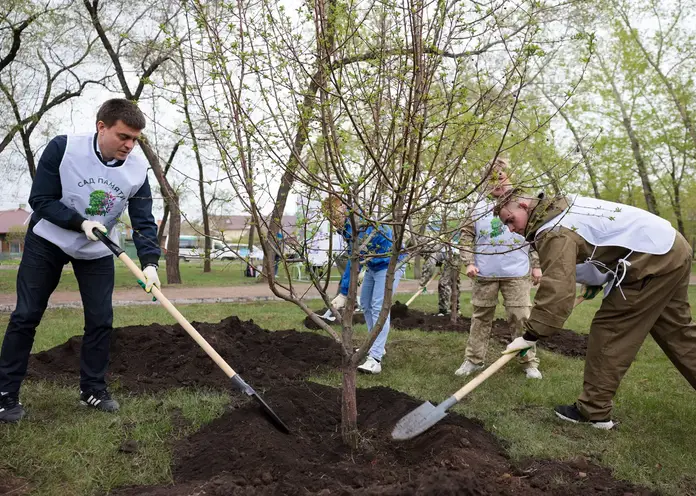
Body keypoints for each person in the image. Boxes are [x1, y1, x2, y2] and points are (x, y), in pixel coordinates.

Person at [0, 99, 161, 423]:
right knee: (26, 314)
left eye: (135, 139)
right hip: (49, 240)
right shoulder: (64, 149)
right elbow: (41, 200)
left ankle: (93, 390)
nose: (129, 145)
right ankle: (5, 394)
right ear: (101, 126)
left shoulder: (137, 171)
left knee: (101, 319)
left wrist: (150, 264)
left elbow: (144, 222)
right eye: (123, 136)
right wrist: (79, 222)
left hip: (97, 251)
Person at [496, 189, 696, 429]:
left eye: (510, 220)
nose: (510, 229)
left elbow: (557, 291)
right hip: (670, 245)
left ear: (524, 205)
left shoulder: (552, 229)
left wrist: (530, 335)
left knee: (611, 330)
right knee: (678, 332)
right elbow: (599, 246)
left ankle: (594, 411)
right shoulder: (563, 207)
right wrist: (598, 279)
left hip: (652, 259)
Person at [456, 158, 543, 380]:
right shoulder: (476, 206)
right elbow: (466, 235)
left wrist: (537, 265)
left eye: (500, 178)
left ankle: (528, 362)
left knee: (521, 317)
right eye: (491, 179)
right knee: (480, 317)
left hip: (517, 272)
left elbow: (534, 235)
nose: (497, 183)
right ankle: (473, 360)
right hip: (485, 273)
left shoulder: (524, 201)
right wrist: (469, 262)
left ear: (509, 176)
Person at [323, 196, 405, 374]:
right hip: (374, 264)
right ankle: (376, 344)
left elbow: (354, 261)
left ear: (344, 209)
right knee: (366, 304)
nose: (333, 221)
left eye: (335, 216)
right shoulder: (346, 226)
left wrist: (344, 293)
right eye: (329, 218)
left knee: (378, 307)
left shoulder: (359, 226)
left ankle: (375, 359)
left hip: (390, 263)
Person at [418, 239, 461, 317]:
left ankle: (444, 310)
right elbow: (439, 259)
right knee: (454, 282)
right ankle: (455, 309)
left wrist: (422, 284)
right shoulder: (436, 246)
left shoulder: (431, 252)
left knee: (443, 283)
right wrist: (439, 268)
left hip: (454, 256)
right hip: (456, 254)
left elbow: (429, 269)